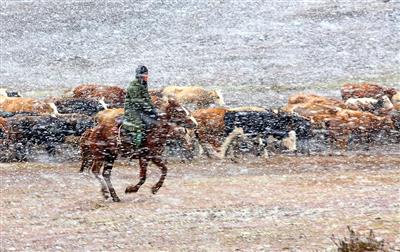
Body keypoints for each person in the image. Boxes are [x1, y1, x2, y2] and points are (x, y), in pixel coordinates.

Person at [122, 65, 158, 148]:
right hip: (132, 110)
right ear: (140, 76)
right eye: (145, 75)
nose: (147, 77)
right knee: (139, 126)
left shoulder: (143, 84)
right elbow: (136, 100)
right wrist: (148, 108)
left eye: (147, 74)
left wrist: (152, 108)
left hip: (141, 109)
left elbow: (147, 98)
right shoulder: (133, 86)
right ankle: (136, 146)